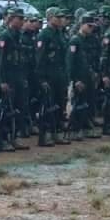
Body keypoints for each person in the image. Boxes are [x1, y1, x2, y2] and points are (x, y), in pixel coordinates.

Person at [0, 8, 29, 152]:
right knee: (6, 110)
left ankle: (13, 138)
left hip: (18, 77)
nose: (22, 21)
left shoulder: (19, 36)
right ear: (11, 18)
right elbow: (1, 61)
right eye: (19, 18)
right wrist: (2, 81)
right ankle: (3, 141)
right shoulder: (5, 36)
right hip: (8, 77)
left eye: (22, 19)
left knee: (18, 109)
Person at [36, 8, 69, 146]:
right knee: (48, 106)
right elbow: (39, 58)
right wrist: (42, 79)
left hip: (60, 75)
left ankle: (57, 133)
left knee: (59, 105)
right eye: (58, 17)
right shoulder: (44, 35)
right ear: (50, 18)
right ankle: (46, 135)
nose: (61, 19)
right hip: (48, 75)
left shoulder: (60, 34)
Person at [67, 14, 99, 140]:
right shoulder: (75, 40)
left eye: (92, 27)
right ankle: (76, 130)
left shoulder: (90, 40)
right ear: (82, 25)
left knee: (89, 103)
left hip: (88, 76)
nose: (91, 29)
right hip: (79, 77)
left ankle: (86, 128)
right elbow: (70, 62)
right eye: (89, 26)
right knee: (78, 104)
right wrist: (74, 80)